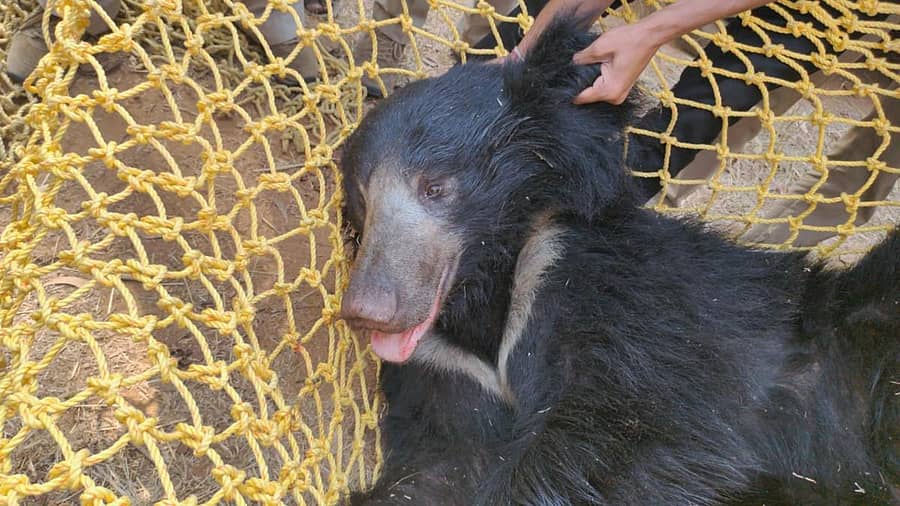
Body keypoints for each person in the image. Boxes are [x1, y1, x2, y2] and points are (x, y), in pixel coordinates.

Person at [498, 0, 897, 247]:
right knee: (535, 31)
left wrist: (650, 32)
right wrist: (520, 56)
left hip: (839, 12)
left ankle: (567, 229)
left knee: (714, 105)